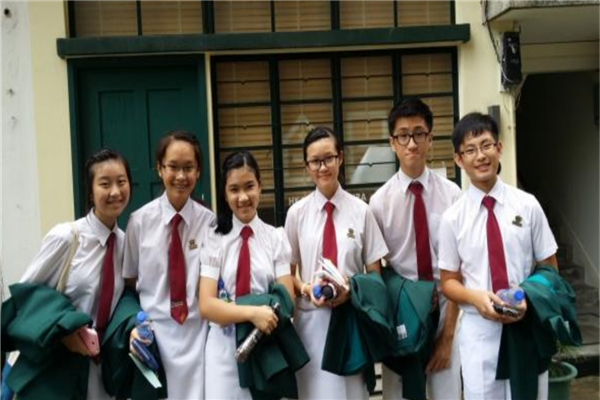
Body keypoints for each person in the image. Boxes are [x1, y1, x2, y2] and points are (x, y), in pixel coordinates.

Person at [438, 112, 558, 400]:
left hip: (526, 324)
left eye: (486, 145)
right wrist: (475, 298)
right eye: (470, 150)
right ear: (458, 160)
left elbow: (550, 268)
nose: (480, 156)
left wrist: (529, 297)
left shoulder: (527, 205)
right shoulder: (452, 218)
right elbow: (448, 282)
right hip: (480, 334)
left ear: (499, 148)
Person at [285, 126, 388, 400]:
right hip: (310, 323)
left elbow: (375, 276)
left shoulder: (361, 211)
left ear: (340, 158)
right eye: (315, 161)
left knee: (351, 393)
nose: (323, 167)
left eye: (328, 158)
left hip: (350, 322)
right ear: (307, 166)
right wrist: (306, 288)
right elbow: (287, 275)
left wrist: (351, 290)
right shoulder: (296, 214)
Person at [369, 98, 462, 400]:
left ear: (430, 139)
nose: (411, 143)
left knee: (446, 393)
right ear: (392, 143)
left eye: (419, 134)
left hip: (446, 307)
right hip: (404, 314)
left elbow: (461, 268)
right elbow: (375, 271)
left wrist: (447, 336)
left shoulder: (453, 196)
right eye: (403, 135)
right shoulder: (379, 203)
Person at [20, 148, 132, 399]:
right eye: (105, 184)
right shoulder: (66, 238)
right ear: (90, 191)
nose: (115, 191)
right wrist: (63, 333)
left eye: (121, 182)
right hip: (58, 368)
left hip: (101, 374)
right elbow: (26, 300)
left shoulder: (126, 245)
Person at [123, 131, 214, 399]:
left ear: (198, 171)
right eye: (173, 167)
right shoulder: (139, 222)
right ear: (160, 169)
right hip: (153, 337)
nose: (181, 176)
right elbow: (129, 282)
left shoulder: (209, 222)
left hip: (198, 336)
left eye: (189, 168)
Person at [198, 150, 295, 399]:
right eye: (234, 189)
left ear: (260, 186)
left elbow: (287, 300)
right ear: (225, 193)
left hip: (264, 347)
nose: (243, 197)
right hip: (223, 351)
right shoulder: (214, 238)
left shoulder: (276, 238)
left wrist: (232, 309)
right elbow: (207, 305)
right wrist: (253, 312)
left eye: (249, 186)